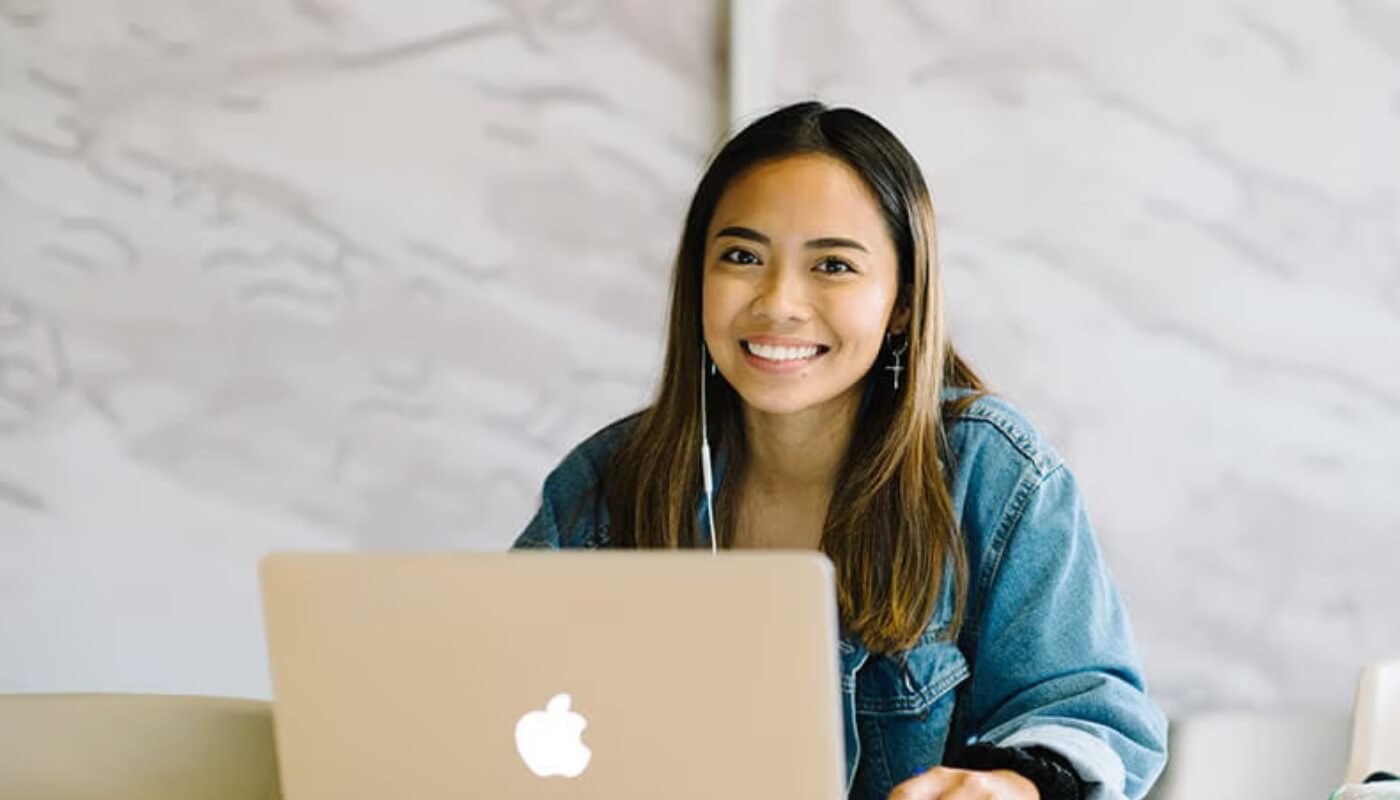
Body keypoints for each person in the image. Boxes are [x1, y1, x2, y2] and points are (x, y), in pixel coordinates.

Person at [514, 101, 1168, 800]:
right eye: (741, 257)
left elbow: (1087, 713)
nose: (778, 302)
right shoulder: (606, 481)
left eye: (831, 265)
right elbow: (491, 689)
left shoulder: (988, 468)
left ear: (904, 303)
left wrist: (1017, 786)